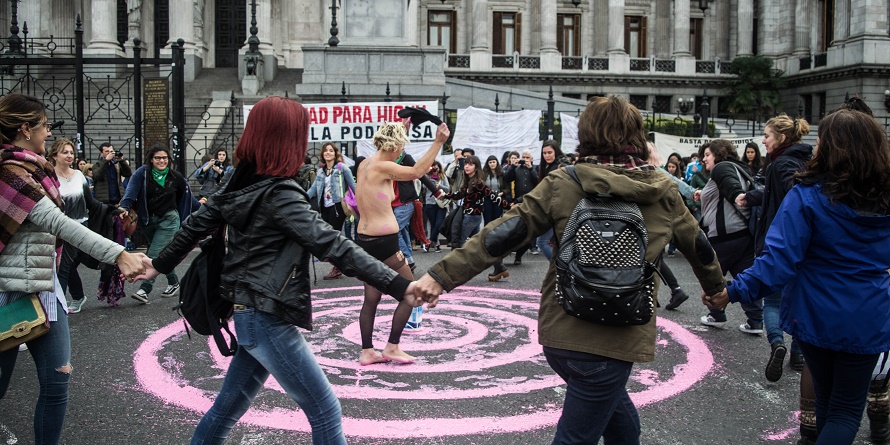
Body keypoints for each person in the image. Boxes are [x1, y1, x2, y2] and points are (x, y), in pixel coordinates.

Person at [413, 96, 725, 444]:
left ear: (585, 135)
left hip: (564, 330)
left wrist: (440, 276)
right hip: (616, 338)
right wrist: (717, 291)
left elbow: (503, 233)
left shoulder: (564, 182)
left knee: (622, 426)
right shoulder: (663, 190)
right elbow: (699, 247)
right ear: (637, 135)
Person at [135, 96, 424, 445]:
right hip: (267, 315)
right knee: (325, 411)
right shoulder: (280, 193)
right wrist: (399, 285)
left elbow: (197, 223)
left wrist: (159, 264)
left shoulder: (241, 182)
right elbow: (332, 244)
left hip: (249, 311)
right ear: (287, 140)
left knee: (227, 409)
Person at [705, 108, 890, 445]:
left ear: (830, 148)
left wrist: (732, 292)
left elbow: (777, 260)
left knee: (829, 406)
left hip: (816, 310)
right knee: (845, 411)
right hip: (869, 312)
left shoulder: (808, 194)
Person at [0, 93, 144, 445]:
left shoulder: (36, 169)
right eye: (45, 125)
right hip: (7, 291)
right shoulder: (8, 172)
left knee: (57, 383)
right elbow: (58, 222)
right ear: (25, 129)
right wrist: (118, 253)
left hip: (43, 286)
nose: (48, 133)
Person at [355, 120, 449, 365]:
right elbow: (416, 172)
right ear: (393, 145)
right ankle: (392, 347)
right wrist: (438, 142)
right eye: (401, 146)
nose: (401, 152)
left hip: (365, 240)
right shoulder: (382, 167)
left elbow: (399, 166)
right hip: (384, 243)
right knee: (412, 294)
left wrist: (402, 129)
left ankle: (367, 352)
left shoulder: (365, 164)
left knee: (371, 299)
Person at [735, 114, 812, 382]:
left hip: (779, 241)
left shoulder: (781, 164)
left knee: (772, 299)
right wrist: (752, 197)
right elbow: (774, 193)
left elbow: (793, 197)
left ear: (781, 137)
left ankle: (777, 343)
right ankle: (798, 354)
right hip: (803, 243)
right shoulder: (805, 160)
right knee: (800, 299)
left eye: (767, 136)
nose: (763, 141)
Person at [692, 140, 763, 334]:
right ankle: (755, 320)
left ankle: (716, 314)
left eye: (707, 154)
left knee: (712, 278)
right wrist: (703, 193)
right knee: (746, 276)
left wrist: (737, 195)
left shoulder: (721, 167)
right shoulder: (741, 168)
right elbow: (723, 188)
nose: (704, 159)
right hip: (743, 235)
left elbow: (730, 185)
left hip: (724, 236)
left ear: (718, 153)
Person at [48, 138, 123, 314]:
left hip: (80, 227)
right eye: (65, 152)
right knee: (67, 266)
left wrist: (113, 210)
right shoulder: (49, 178)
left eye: (71, 152)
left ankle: (58, 308)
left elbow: (91, 203)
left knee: (64, 266)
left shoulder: (78, 176)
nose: (69, 155)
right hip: (58, 228)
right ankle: (75, 298)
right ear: (54, 156)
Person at [119, 144, 197, 304]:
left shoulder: (175, 177)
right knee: (162, 253)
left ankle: (144, 289)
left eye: (164, 158)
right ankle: (174, 282)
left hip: (169, 220)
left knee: (154, 253)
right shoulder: (142, 173)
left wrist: (206, 209)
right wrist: (124, 207)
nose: (161, 161)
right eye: (157, 158)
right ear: (151, 159)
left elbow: (188, 198)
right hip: (148, 221)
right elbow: (131, 192)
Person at [441, 155, 511, 281]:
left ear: (476, 167)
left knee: (458, 243)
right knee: (482, 245)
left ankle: (454, 272)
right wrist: (446, 196)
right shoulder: (469, 180)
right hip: (472, 217)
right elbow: (460, 194)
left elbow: (492, 196)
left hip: (471, 217)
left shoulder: (478, 183)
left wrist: (509, 206)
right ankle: (499, 267)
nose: (467, 166)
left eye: (471, 164)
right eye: (466, 164)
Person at [307, 142, 355, 280]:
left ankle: (339, 266)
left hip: (337, 207)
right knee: (329, 237)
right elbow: (313, 189)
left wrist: (361, 204)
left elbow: (353, 186)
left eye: (331, 150)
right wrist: (301, 198)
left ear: (335, 154)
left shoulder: (342, 168)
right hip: (325, 208)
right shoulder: (321, 171)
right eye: (326, 151)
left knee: (333, 237)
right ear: (322, 154)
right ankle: (344, 261)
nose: (328, 153)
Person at [535, 140, 570, 260]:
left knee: (542, 241)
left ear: (556, 151)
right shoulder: (547, 167)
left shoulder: (559, 166)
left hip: (558, 209)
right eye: (544, 153)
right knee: (555, 243)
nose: (547, 156)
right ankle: (558, 268)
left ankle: (558, 267)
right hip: (552, 209)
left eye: (549, 152)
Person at [503, 150, 538, 263]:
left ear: (531, 159)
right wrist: (513, 166)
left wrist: (531, 168)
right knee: (517, 229)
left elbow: (538, 182)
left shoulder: (535, 168)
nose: (525, 159)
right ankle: (512, 251)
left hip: (531, 202)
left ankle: (527, 249)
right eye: (523, 157)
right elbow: (507, 178)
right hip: (518, 202)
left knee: (530, 229)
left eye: (527, 157)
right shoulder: (517, 168)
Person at [422, 160, 449, 253]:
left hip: (441, 202)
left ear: (439, 168)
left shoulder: (443, 176)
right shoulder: (427, 177)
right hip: (430, 202)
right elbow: (423, 187)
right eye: (433, 168)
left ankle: (429, 241)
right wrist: (429, 180)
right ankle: (436, 244)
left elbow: (448, 188)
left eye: (436, 168)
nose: (434, 170)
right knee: (433, 224)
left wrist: (439, 186)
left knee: (439, 224)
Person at [481, 155, 506, 226]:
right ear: (488, 164)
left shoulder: (502, 173)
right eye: (490, 162)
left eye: (494, 162)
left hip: (498, 198)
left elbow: (507, 188)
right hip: (487, 199)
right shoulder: (484, 174)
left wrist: (502, 193)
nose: (492, 164)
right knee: (487, 220)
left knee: (496, 220)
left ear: (497, 162)